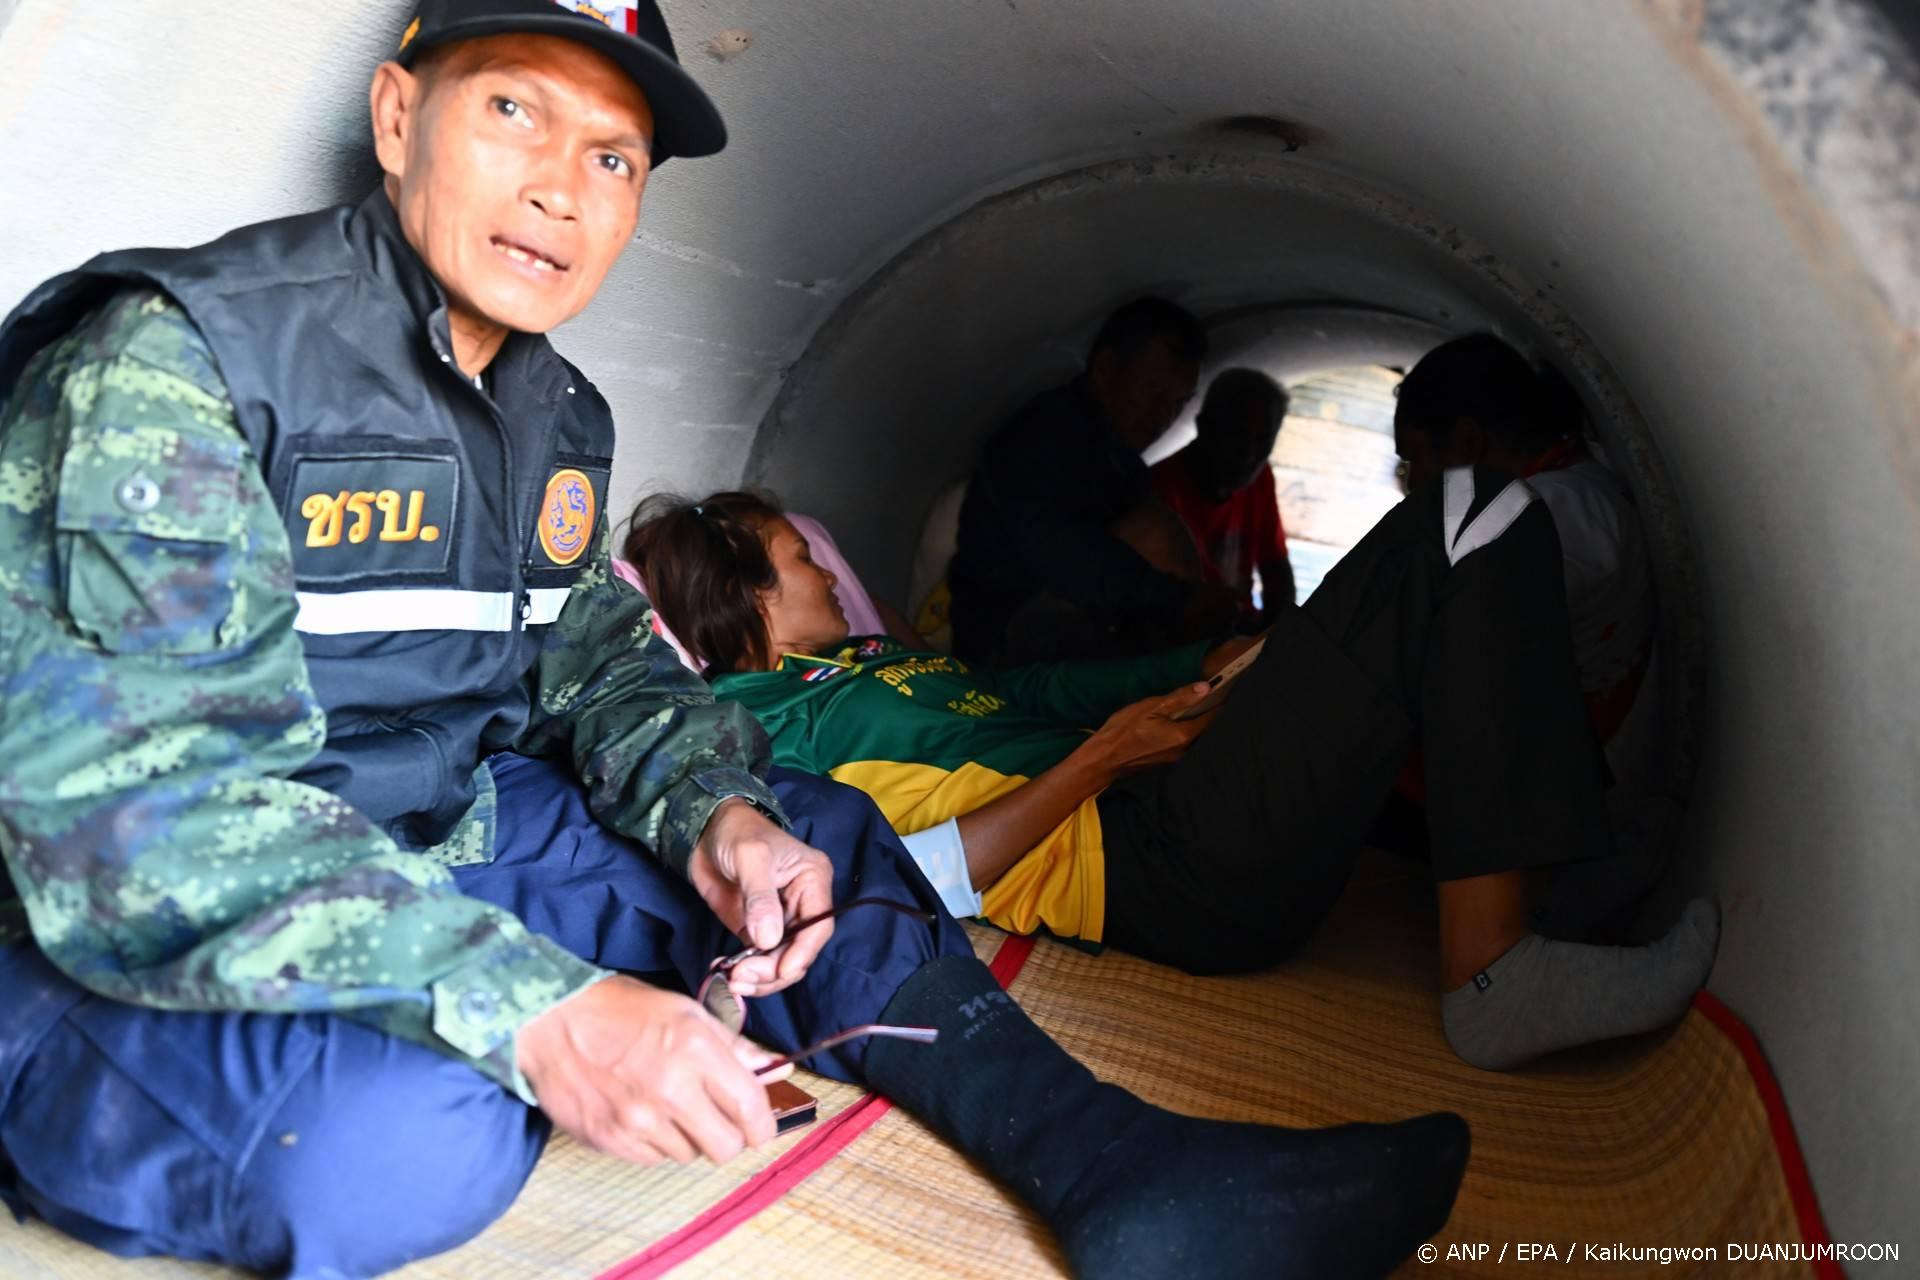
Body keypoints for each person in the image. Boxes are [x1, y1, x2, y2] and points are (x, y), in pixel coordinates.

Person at [0, 5, 1469, 1277]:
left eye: (612, 156)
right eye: (512, 109)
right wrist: (545, 1011)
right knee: (411, 1144)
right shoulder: (178, 362)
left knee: (809, 839)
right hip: (114, 908)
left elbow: (608, 668)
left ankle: (1126, 1176)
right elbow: (148, 825)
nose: (559, 191)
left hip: (438, 833)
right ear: (398, 117)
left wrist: (717, 817)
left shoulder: (551, 417)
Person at [627, 484, 1722, 1074]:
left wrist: (1192, 669)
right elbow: (909, 875)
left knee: (1464, 535)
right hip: (1161, 867)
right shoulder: (767, 730)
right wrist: (1111, 752)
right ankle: (1492, 971)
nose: (826, 562)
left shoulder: (862, 663)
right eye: (801, 557)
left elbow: (1023, 692)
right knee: (1463, 517)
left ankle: (1543, 885)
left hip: (1159, 800)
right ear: (752, 598)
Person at [946, 298, 1240, 663]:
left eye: (1179, 403)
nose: (1165, 415)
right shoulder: (1043, 438)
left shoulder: (1115, 454)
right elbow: (1064, 554)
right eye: (1155, 391)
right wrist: (1178, 599)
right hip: (1004, 635)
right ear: (1104, 369)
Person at [1393, 335, 1655, 739]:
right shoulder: (1555, 499)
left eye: (1414, 458)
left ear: (1467, 442)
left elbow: (1469, 634)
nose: (1411, 484)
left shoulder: (1559, 513)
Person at [1152, 367, 1297, 620]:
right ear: (1204, 427)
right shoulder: (1158, 491)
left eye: (1263, 440)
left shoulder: (1260, 479)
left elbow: (1276, 570)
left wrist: (1279, 635)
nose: (1250, 454)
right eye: (1237, 436)